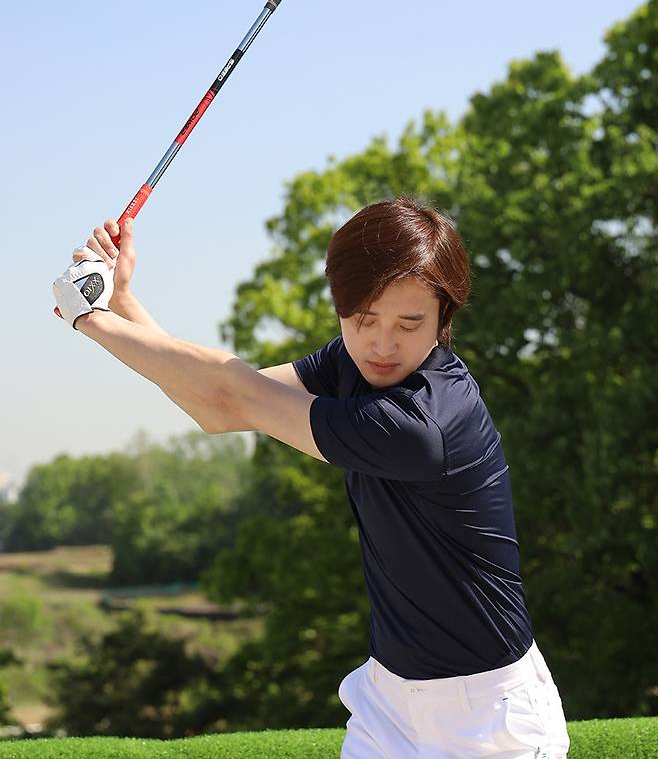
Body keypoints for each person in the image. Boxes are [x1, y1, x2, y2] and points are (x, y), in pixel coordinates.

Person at [53, 195, 571, 758]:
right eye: (363, 318)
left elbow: (232, 395)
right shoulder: (352, 362)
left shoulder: (423, 426)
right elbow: (218, 406)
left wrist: (91, 317)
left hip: (489, 719)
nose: (382, 345)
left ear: (445, 318)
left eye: (409, 323)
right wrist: (122, 301)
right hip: (388, 702)